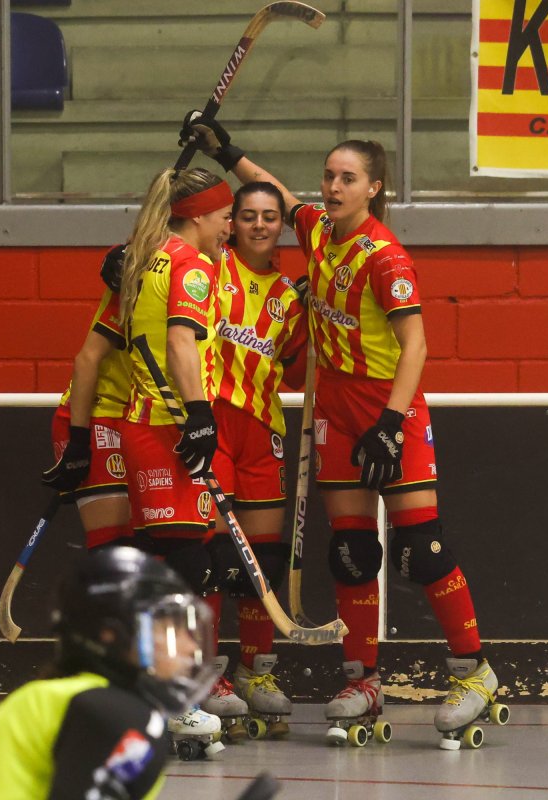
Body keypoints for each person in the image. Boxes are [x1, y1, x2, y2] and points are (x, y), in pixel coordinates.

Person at [180, 115, 505, 747]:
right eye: (329, 176)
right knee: (351, 555)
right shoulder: (320, 233)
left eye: (347, 178)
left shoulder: (387, 258)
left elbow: (416, 343)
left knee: (423, 550)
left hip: (390, 414)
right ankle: (363, 679)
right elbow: (271, 189)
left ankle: (475, 670)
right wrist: (226, 151)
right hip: (334, 413)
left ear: (374, 188)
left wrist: (390, 422)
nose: (332, 187)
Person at [0, 546, 219, 799]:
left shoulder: (56, 695)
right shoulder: (115, 713)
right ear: (112, 635)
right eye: (169, 628)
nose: (189, 644)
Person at [117, 165, 235, 742]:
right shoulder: (190, 266)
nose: (230, 227)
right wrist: (200, 415)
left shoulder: (148, 256)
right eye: (225, 215)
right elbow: (180, 340)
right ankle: (168, 701)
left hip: (146, 428)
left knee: (163, 564)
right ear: (198, 215)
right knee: (184, 569)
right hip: (165, 429)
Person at [198, 182, 308, 739]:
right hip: (214, 423)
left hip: (264, 429)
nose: (260, 225)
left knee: (259, 557)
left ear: (281, 226)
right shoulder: (209, 271)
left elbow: (293, 372)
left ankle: (255, 672)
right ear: (232, 223)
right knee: (217, 555)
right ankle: (207, 674)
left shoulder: (289, 297)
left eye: (270, 216)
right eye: (248, 216)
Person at [41, 245, 135, 552]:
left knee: (153, 549)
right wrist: (78, 440)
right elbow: (87, 359)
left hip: (149, 424)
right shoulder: (146, 274)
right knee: (115, 550)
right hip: (101, 414)